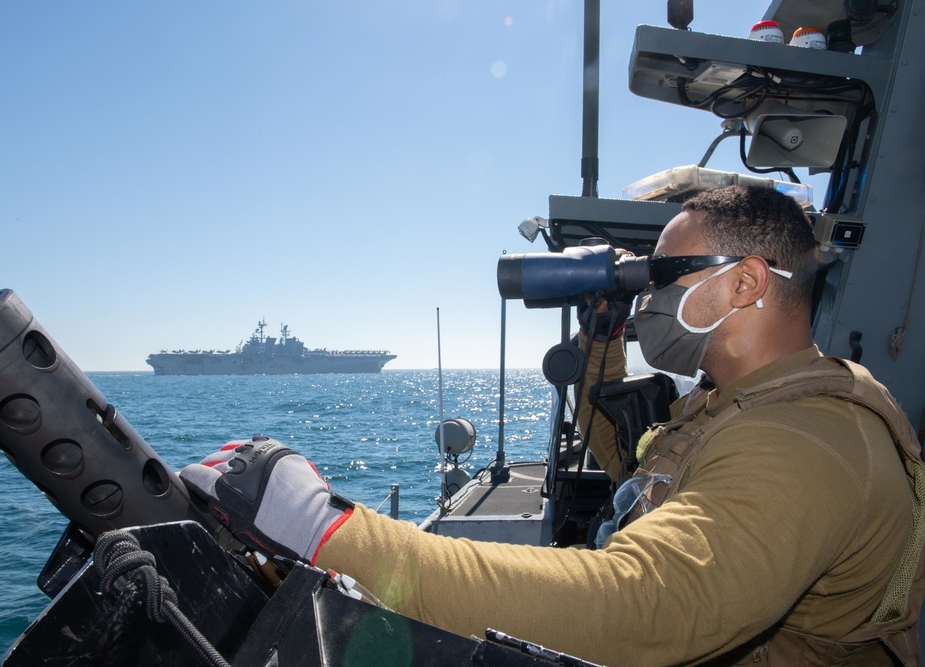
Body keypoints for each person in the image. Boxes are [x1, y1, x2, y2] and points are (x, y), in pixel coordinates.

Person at [181, 186, 925, 666]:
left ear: (746, 282)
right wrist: (603, 337)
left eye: (662, 279)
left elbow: (649, 602)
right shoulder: (733, 405)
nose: (648, 299)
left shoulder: (808, 440)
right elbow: (634, 472)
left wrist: (333, 531)